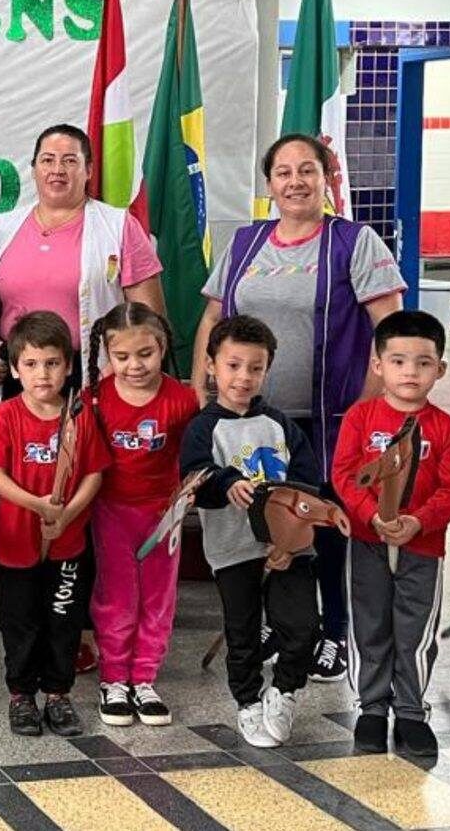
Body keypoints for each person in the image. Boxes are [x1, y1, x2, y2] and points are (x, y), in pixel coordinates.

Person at [194, 133, 405, 682]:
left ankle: (334, 631)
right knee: (263, 523)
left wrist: (368, 406)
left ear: (327, 178)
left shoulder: (354, 243)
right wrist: (203, 386)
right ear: (269, 185)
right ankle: (282, 623)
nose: (295, 182)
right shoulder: (245, 243)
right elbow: (213, 320)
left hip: (326, 421)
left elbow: (391, 330)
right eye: (283, 173)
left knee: (324, 527)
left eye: (307, 170)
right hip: (252, 422)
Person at [331, 310, 450, 762]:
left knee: (414, 630)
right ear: (378, 366)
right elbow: (345, 474)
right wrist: (371, 515)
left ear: (441, 369)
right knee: (370, 625)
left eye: (423, 362)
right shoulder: (360, 417)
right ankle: (371, 709)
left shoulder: (447, 430)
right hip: (367, 542)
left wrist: (420, 521)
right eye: (398, 361)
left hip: (422, 548)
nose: (410, 371)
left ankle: (411, 711)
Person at [179, 315, 322, 750]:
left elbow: (307, 486)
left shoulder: (282, 425)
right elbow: (195, 478)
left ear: (267, 370)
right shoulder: (203, 427)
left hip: (289, 550)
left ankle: (285, 691)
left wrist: (289, 540)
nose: (243, 377)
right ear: (211, 367)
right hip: (233, 550)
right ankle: (247, 703)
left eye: (254, 368)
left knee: (303, 628)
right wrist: (226, 482)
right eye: (233, 365)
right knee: (242, 632)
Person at [0, 312, 106, 739]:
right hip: (17, 541)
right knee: (19, 620)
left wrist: (67, 515)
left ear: (68, 366)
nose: (42, 374)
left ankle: (57, 693)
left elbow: (93, 474)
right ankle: (21, 695)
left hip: (68, 543)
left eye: (52, 363)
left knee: (63, 618)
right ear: (15, 368)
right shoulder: (5, 416)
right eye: (31, 364)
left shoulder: (80, 415)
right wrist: (35, 504)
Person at [0, 124, 164, 389]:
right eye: (47, 160)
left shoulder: (119, 226)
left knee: (84, 432)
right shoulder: (2, 227)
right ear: (34, 169)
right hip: (15, 376)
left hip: (94, 375)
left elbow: (149, 317)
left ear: (89, 171)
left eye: (70, 161)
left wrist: (114, 371)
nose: (57, 170)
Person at [86, 303, 198, 728]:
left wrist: (187, 493)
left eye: (145, 354)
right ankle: (114, 678)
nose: (135, 365)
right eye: (122, 356)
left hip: (163, 514)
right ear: (108, 356)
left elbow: (195, 457)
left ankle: (145, 677)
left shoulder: (182, 400)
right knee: (117, 595)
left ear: (162, 346)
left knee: (158, 595)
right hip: (111, 511)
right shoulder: (95, 399)